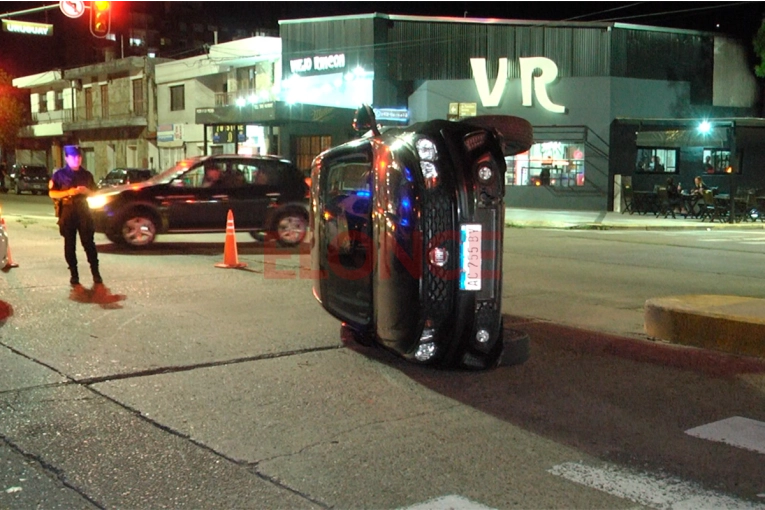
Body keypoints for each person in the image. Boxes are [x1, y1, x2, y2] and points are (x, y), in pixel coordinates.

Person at [48, 145, 102, 286]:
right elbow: (52, 193)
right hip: (67, 210)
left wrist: (86, 191)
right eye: (73, 157)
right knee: (69, 245)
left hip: (83, 211)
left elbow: (95, 192)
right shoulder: (59, 175)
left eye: (78, 157)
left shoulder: (87, 175)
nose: (76, 159)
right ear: (67, 158)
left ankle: (96, 274)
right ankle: (74, 274)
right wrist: (69, 192)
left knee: (89, 243)